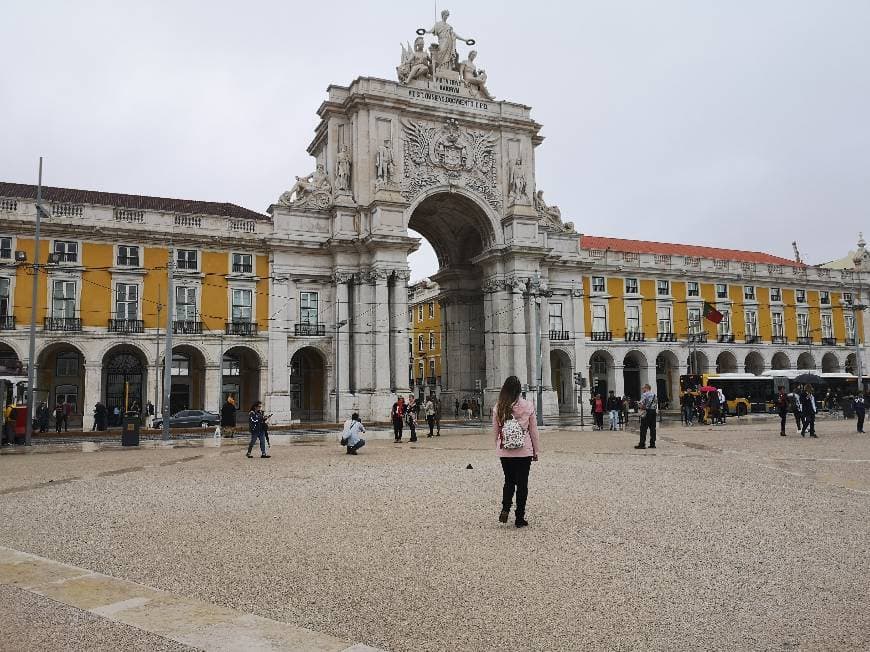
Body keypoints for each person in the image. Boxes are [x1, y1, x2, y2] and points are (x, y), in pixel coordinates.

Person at [493, 375, 540, 529]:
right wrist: (536, 450)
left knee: (509, 481)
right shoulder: (528, 406)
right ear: (519, 390)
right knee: (522, 484)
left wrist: (498, 446)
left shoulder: (498, 406)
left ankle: (505, 508)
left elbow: (496, 431)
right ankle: (519, 517)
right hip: (523, 450)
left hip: (505, 450)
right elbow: (533, 431)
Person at [635, 384, 658, 449]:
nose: (642, 390)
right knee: (653, 428)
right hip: (653, 412)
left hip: (646, 412)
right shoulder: (654, 395)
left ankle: (642, 444)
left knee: (643, 428)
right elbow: (656, 404)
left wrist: (638, 404)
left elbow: (642, 405)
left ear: (646, 388)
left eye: (643, 388)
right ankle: (652, 444)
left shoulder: (644, 395)